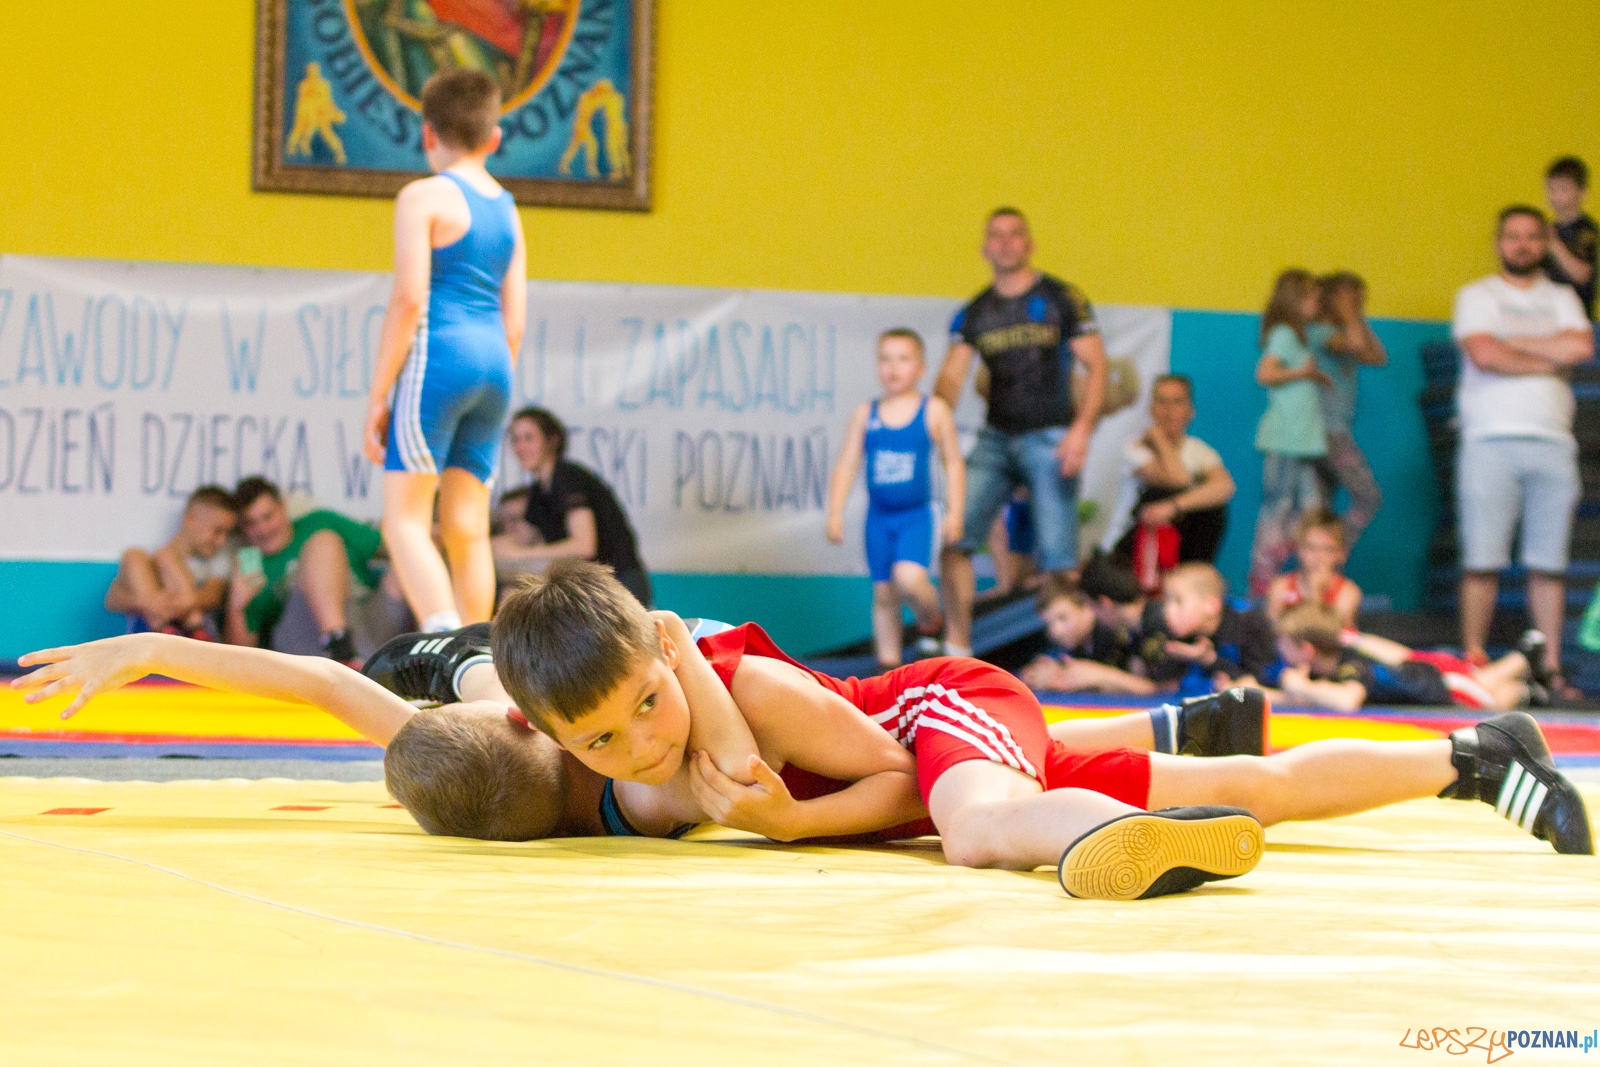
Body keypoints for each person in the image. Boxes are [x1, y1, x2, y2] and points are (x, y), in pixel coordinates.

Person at [19, 608, 1591, 881]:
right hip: (927, 754)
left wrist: (778, 816)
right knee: (1238, 780)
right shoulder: (570, 768)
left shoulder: (713, 701)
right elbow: (326, 690)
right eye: (601, 752)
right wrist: (150, 653)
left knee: (980, 821)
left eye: (632, 719)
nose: (633, 751)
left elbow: (893, 768)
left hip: (922, 723)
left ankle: (1115, 841)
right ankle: (1472, 753)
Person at [361, 68, 528, 635]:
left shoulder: (423, 196)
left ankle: (443, 645)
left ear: (427, 133)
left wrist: (379, 395)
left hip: (440, 361)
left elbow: (409, 299)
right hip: (495, 368)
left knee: (404, 522)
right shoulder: (506, 207)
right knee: (468, 529)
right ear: (494, 138)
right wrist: (493, 382)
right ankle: (478, 650)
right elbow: (515, 319)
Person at [933, 208, 1109, 657]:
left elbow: (1097, 365)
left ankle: (1064, 655)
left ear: (1029, 243)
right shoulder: (975, 312)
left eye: (1015, 234)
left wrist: (1081, 430)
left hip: (1051, 436)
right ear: (984, 249)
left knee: (1059, 559)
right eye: (997, 235)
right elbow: (950, 380)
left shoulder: (1062, 298)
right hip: (995, 438)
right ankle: (957, 648)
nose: (1006, 242)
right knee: (954, 540)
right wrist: (932, 423)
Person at [1453, 206, 1595, 683]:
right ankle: (1473, 663)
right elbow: (1484, 354)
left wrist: (1513, 345)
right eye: (1513, 236)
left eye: (1532, 236)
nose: (1523, 245)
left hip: (1554, 443)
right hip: (1488, 441)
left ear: (1544, 243)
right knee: (1481, 561)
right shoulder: (1477, 296)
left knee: (1549, 565)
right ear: (1499, 243)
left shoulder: (1563, 297)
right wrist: (1549, 354)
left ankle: (1548, 670)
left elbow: (1580, 347)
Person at [825, 328, 965, 668]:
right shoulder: (866, 414)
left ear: (921, 368)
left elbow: (953, 462)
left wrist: (955, 512)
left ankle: (931, 620)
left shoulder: (933, 411)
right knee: (884, 593)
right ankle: (888, 665)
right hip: (878, 517)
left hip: (915, 516)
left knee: (909, 578)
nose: (893, 367)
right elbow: (847, 463)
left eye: (903, 359)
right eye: (885, 359)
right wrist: (835, 511)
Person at [224, 477, 410, 663]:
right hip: (308, 644)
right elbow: (239, 660)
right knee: (322, 541)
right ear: (242, 527)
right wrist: (236, 605)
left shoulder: (319, 521)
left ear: (283, 507)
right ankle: (338, 645)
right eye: (251, 523)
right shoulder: (249, 569)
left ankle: (422, 649)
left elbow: (386, 545)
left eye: (267, 517)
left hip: (366, 623)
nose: (263, 529)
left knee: (407, 558)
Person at [492, 407, 652, 605]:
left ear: (552, 440)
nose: (520, 447)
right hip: (591, 588)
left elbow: (584, 546)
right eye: (515, 439)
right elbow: (523, 538)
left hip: (619, 583)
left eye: (529, 438)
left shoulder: (567, 478)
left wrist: (519, 554)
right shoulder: (537, 491)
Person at [1273, 604, 1542, 713]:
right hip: (1424, 675)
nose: (1278, 648)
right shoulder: (1323, 664)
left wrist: (1300, 686)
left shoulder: (1351, 662)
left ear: (1306, 649)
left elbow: (1347, 701)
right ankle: (1525, 667)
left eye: (1283, 642)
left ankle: (1526, 679)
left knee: (1488, 702)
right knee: (1482, 683)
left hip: (1437, 688)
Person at [1247, 270, 1334, 595]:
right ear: (1295, 301)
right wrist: (1303, 372)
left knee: (1311, 511)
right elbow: (1265, 373)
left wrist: (1312, 376)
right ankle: (1261, 584)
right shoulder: (1284, 333)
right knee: (1277, 508)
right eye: (1312, 299)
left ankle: (1309, 581)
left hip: (1302, 442)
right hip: (1286, 439)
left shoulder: (1300, 336)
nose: (1317, 305)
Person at [1100, 374, 1235, 573]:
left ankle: (1192, 573)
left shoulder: (1201, 451)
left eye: (1177, 402)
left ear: (1190, 410)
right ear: (1151, 409)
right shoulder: (1134, 447)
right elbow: (1179, 479)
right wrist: (1159, 438)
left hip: (1176, 544)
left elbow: (1225, 487)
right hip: (1127, 546)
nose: (1168, 410)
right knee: (1160, 493)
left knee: (1213, 508)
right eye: (1161, 401)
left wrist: (1173, 507)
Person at [1308, 272, 1387, 545]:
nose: (1357, 305)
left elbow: (1378, 357)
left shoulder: (1346, 331)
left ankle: (1321, 556)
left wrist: (1356, 317)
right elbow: (1355, 344)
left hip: (1331, 433)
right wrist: (1349, 313)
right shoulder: (1319, 332)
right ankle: (1331, 548)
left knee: (1321, 508)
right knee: (1368, 496)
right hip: (1327, 433)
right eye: (1351, 300)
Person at [104, 485, 238, 639]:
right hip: (149, 640)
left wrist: (165, 604)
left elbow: (212, 595)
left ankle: (185, 628)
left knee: (164, 557)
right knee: (135, 556)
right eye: (217, 531)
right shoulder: (150, 561)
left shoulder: (218, 560)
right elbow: (112, 599)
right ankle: (167, 629)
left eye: (227, 533)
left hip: (195, 637)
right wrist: (148, 601)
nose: (222, 541)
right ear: (190, 519)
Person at [1141, 562, 1279, 696]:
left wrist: (1209, 660)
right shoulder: (1171, 631)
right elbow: (1164, 683)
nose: (1167, 611)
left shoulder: (1249, 623)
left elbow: (1263, 681)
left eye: (1178, 601)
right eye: (1166, 601)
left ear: (1211, 605)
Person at [1020, 574, 1156, 695]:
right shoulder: (1078, 644)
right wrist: (1054, 675)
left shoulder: (1118, 635)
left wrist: (1098, 675)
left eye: (1062, 618)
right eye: (1049, 624)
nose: (1055, 631)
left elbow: (1153, 688)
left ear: (1088, 607)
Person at [1264, 508, 1363, 628]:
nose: (1319, 557)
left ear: (1341, 554)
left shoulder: (1347, 593)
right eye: (1311, 547)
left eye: (1328, 549)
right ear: (1298, 549)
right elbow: (1272, 634)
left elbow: (1324, 634)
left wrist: (1316, 592)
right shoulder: (1280, 588)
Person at [1544, 156, 1597, 320]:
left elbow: (1582, 274)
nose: (1555, 196)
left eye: (1563, 189)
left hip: (1577, 317)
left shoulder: (1587, 231)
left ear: (1582, 193)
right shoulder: (1550, 228)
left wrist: (1553, 243)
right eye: (1551, 189)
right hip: (1547, 315)